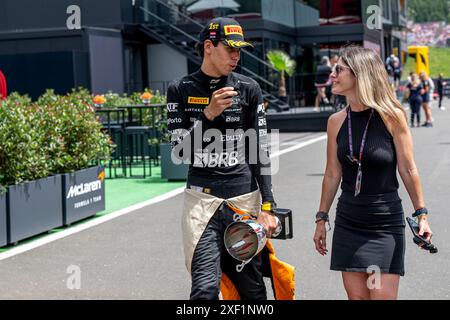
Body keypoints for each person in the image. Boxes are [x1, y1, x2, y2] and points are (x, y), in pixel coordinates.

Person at [166, 17, 294, 300]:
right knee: (204, 290)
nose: (236, 56)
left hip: (243, 203)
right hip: (201, 205)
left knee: (253, 292)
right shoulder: (180, 88)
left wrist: (269, 205)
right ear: (209, 47)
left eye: (240, 50)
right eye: (230, 49)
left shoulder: (249, 88)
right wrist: (208, 115)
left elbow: (259, 150)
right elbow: (178, 153)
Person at [313, 46, 433, 300]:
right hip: (349, 220)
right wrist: (321, 218)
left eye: (339, 70)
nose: (332, 74)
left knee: (380, 296)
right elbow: (332, 173)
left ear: (359, 75)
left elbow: (408, 168)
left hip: (383, 223)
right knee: (357, 298)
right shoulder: (335, 122)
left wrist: (421, 214)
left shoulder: (392, 117)